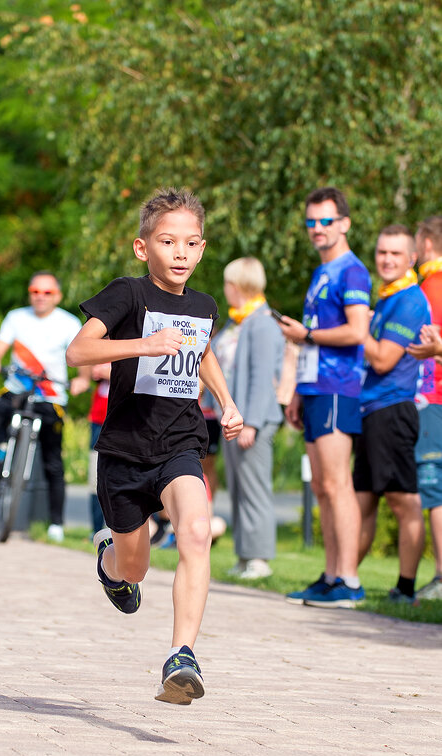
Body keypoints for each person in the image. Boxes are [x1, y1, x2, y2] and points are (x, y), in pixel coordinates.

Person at [66, 187, 243, 705]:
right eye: (168, 242)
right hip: (123, 450)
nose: (181, 253)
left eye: (190, 243)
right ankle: (109, 564)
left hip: (180, 443)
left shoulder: (205, 305)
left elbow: (202, 350)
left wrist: (226, 401)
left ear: (203, 249)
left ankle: (181, 655)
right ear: (145, 248)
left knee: (194, 531)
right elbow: (79, 351)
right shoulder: (127, 294)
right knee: (135, 568)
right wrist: (144, 342)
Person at [278, 186, 371, 607]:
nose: (317, 229)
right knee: (321, 487)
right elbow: (309, 342)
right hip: (315, 388)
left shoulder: (352, 270)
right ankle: (331, 575)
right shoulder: (322, 273)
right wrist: (297, 390)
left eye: (326, 221)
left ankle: (349, 581)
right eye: (311, 222)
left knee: (338, 484)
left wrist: (307, 334)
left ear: (345, 224)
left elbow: (357, 332)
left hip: (340, 389)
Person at [0, 272, 89, 542]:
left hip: (51, 397)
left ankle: (56, 524)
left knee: (53, 462)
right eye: (35, 291)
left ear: (57, 296)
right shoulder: (16, 317)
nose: (40, 296)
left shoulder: (69, 322)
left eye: (47, 292)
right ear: (29, 293)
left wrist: (82, 380)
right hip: (15, 391)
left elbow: (82, 355)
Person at [353, 225, 430, 602]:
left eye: (395, 254)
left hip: (393, 410)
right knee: (361, 504)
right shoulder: (386, 298)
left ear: (411, 259)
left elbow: (383, 359)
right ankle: (342, 579)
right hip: (370, 410)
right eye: (382, 252)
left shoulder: (410, 300)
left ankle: (405, 588)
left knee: (404, 501)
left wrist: (357, 329)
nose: (386, 260)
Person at [213, 257, 284, 579]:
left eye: (229, 282)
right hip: (232, 419)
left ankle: (259, 558)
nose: (226, 289)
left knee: (254, 488)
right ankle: (244, 555)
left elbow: (262, 377)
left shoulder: (262, 322)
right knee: (239, 489)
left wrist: (252, 422)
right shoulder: (237, 322)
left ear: (239, 285)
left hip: (253, 419)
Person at [407, 216, 442, 600]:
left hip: (431, 399)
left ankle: (441, 578)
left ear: (428, 247)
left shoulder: (429, 289)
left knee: (434, 491)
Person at [88, 362, 110, 535]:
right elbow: (92, 370)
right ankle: (96, 529)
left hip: (124, 419)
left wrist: (110, 371)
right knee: (95, 477)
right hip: (98, 420)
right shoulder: (102, 342)